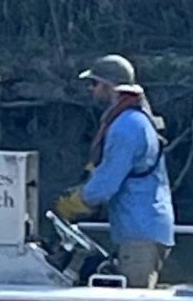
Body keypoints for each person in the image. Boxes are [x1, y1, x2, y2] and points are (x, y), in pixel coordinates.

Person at [57, 53, 175, 287]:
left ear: (108, 86)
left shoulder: (126, 126)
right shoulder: (132, 118)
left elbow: (107, 184)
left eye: (94, 83)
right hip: (141, 229)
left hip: (140, 234)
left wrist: (72, 203)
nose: (91, 89)